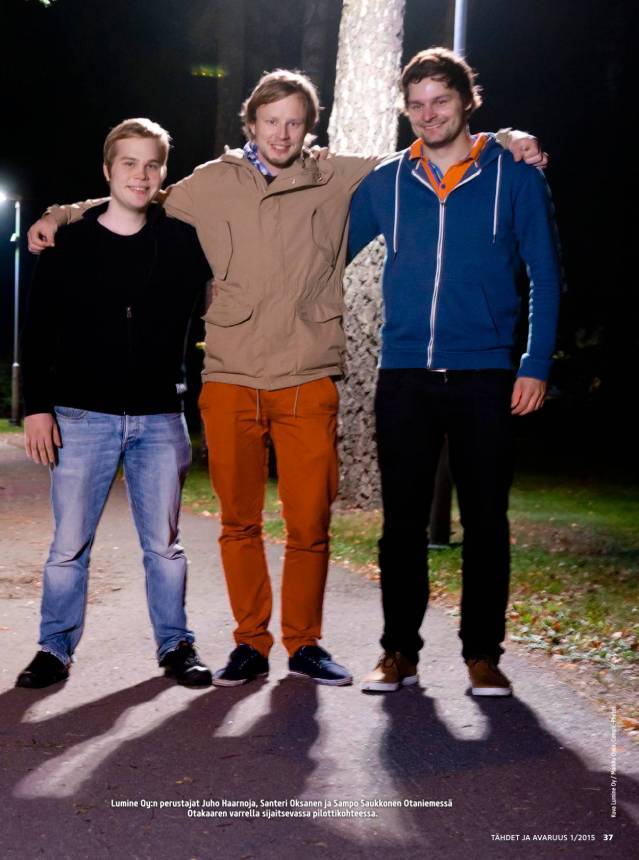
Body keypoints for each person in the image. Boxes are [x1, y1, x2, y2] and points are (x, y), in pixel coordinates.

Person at [27, 70, 546, 689]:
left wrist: (505, 138)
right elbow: (137, 198)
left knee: (309, 525)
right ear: (250, 125)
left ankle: (304, 643)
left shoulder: (340, 175)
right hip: (232, 376)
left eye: (295, 122)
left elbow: (434, 148)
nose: (282, 133)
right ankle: (251, 642)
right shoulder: (210, 183)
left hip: (307, 375)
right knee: (239, 523)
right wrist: (62, 214)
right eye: (271, 121)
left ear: (309, 129)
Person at [349, 48, 562, 697]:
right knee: (401, 525)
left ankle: (482, 656)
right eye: (416, 104)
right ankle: (398, 653)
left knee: (486, 522)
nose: (428, 114)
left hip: (485, 375)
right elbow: (319, 249)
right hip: (404, 374)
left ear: (468, 102)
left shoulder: (514, 175)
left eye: (440, 100)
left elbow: (545, 275)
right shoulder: (386, 181)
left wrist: (533, 363)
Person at [16, 118, 213, 689]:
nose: (140, 175)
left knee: (165, 547)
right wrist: (37, 407)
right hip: (82, 417)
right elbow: (39, 330)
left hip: (160, 417)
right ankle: (54, 648)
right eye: (129, 163)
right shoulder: (68, 243)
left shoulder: (183, 243)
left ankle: (175, 645)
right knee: (68, 546)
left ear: (163, 173)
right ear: (107, 170)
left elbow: (216, 307)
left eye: (152, 164)